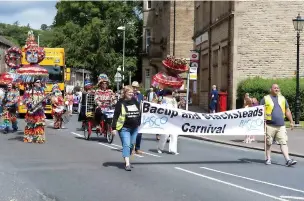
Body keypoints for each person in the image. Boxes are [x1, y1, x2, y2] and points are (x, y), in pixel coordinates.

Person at [260, 84, 297, 167]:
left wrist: (291, 121)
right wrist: (262, 119)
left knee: (283, 142)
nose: (276, 89)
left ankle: (288, 159)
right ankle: (268, 158)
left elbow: (287, 110)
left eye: (277, 88)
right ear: (271, 89)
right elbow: (259, 110)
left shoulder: (282, 98)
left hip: (281, 125)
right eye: (275, 88)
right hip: (269, 125)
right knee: (268, 142)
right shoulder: (265, 99)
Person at [111, 85, 141, 171]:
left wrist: (139, 122)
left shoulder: (135, 101)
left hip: (134, 128)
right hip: (124, 128)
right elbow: (116, 116)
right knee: (126, 145)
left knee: (132, 145)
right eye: (129, 92)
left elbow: (139, 112)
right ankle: (127, 163)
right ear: (125, 93)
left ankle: (127, 157)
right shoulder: (120, 103)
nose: (131, 94)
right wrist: (114, 128)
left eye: (132, 92)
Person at [23, 79, 46, 143]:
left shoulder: (42, 91)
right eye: (37, 82)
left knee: (40, 124)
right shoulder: (29, 91)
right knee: (30, 124)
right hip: (32, 110)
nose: (39, 83)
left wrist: (44, 103)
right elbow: (24, 100)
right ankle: (29, 138)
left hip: (39, 111)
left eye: (40, 82)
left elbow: (45, 100)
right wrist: (30, 104)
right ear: (34, 83)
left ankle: (39, 138)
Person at [157, 89, 179, 155]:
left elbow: (176, 108)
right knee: (165, 134)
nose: (171, 95)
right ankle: (160, 148)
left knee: (174, 135)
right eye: (170, 94)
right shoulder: (164, 99)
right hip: (166, 120)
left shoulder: (174, 100)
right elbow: (162, 108)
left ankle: (173, 150)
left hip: (174, 120)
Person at [132, 81, 144, 154]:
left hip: (139, 116)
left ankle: (137, 148)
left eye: (136, 87)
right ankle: (132, 148)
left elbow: (143, 104)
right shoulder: (129, 95)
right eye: (134, 87)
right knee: (132, 132)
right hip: (131, 115)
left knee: (139, 132)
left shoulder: (140, 95)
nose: (135, 89)